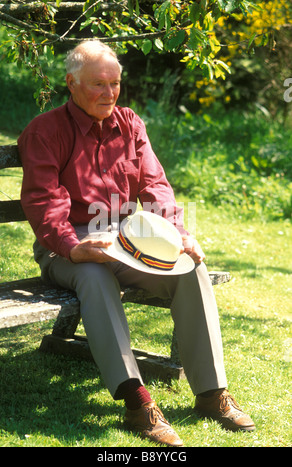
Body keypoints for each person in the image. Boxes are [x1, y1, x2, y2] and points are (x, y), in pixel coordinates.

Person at [18, 40, 255, 447]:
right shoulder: (46, 130)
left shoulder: (130, 124)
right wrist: (73, 246)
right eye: (98, 84)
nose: (110, 93)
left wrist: (177, 235)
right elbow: (44, 201)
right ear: (71, 83)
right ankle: (137, 401)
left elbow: (155, 186)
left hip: (129, 242)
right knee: (93, 275)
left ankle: (212, 392)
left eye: (115, 83)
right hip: (66, 248)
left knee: (189, 268)